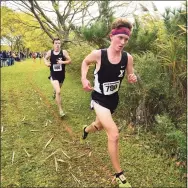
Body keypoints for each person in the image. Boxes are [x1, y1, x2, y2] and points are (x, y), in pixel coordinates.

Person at [81, 18, 137, 187]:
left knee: (98, 126)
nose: (123, 42)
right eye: (120, 37)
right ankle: (119, 175)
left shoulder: (128, 58)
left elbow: (130, 75)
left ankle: (86, 129)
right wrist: (84, 78)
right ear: (112, 36)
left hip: (113, 100)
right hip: (99, 99)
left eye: (126, 39)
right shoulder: (99, 54)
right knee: (113, 134)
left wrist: (132, 77)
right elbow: (85, 62)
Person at [44, 38, 71, 117]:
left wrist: (62, 62)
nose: (57, 45)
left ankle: (54, 92)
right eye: (56, 43)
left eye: (59, 43)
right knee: (58, 91)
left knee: (57, 90)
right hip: (53, 75)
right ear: (53, 44)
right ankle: (60, 110)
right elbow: (45, 58)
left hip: (61, 76)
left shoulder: (64, 52)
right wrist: (46, 63)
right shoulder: (50, 52)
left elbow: (70, 60)